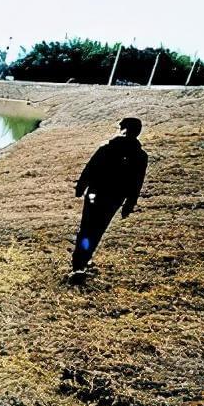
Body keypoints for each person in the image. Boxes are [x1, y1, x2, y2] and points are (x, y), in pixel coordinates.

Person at [68, 117, 148, 285]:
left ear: (124, 130)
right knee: (98, 229)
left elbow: (90, 168)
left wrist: (80, 188)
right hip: (115, 199)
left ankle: (79, 263)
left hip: (94, 195)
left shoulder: (107, 148)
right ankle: (83, 259)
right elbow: (136, 183)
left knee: (87, 227)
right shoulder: (141, 156)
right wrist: (129, 205)